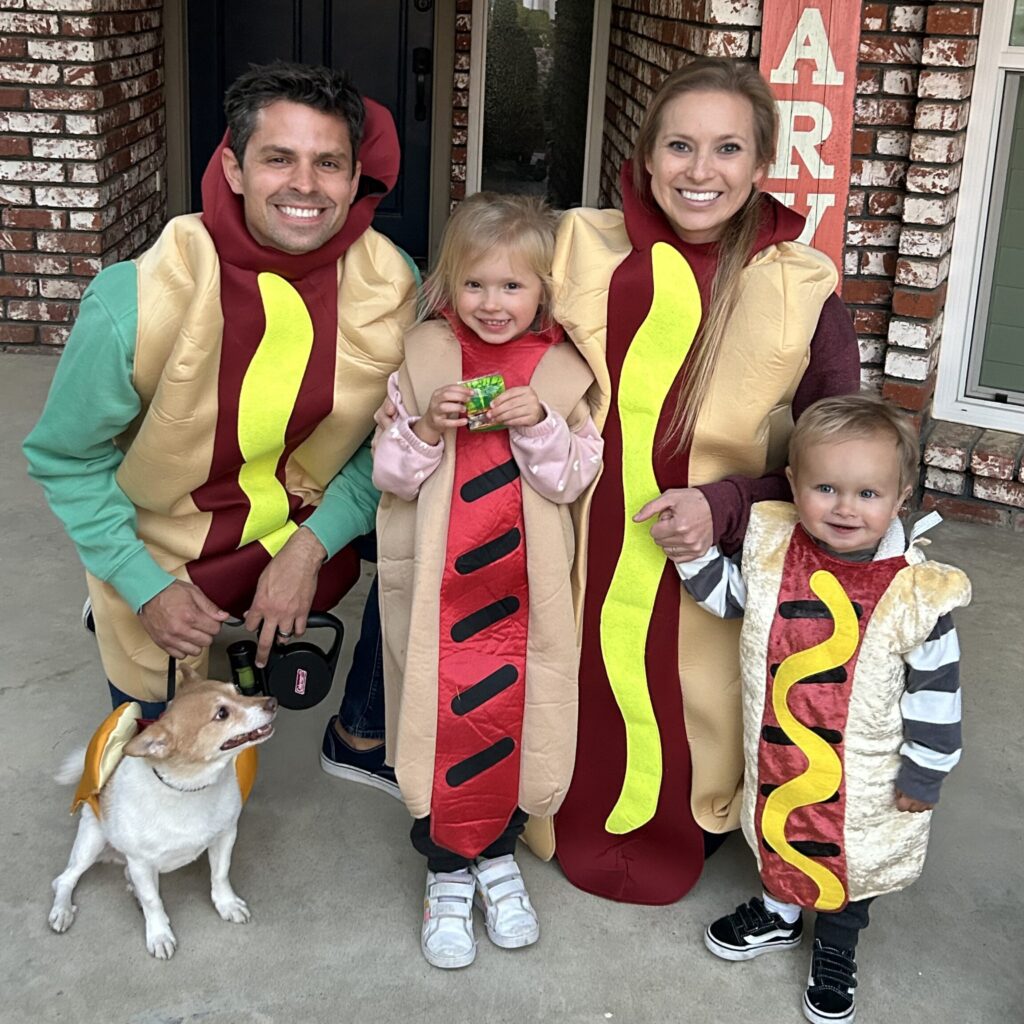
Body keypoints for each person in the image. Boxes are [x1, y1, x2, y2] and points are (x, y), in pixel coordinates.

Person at [539, 56, 862, 904]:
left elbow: (848, 459)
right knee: (576, 682)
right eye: (679, 146)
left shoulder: (802, 288)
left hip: (712, 569)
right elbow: (482, 333)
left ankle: (704, 816)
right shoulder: (575, 248)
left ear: (760, 167)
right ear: (646, 157)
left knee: (694, 702)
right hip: (576, 544)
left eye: (727, 149)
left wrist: (724, 504)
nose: (700, 170)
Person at [23, 62, 416, 723]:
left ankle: (364, 730)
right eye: (278, 159)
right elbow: (66, 458)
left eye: (328, 163)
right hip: (165, 539)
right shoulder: (137, 299)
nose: (304, 185)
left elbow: (398, 442)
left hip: (301, 516)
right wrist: (143, 586)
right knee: (158, 755)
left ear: (354, 179)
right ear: (234, 169)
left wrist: (308, 548)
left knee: (454, 496)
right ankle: (118, 591)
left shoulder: (392, 284)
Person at [675, 394, 970, 1024]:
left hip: (864, 772)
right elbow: (732, 601)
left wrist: (925, 772)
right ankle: (778, 915)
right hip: (779, 744)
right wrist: (691, 555)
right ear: (793, 484)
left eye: (867, 494)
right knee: (780, 829)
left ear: (900, 496)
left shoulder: (916, 592)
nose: (844, 507)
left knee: (847, 856)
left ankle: (836, 945)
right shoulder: (774, 550)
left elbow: (938, 694)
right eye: (826, 487)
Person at [372, 193, 603, 969]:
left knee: (516, 718)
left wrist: (539, 422)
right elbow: (392, 477)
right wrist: (426, 427)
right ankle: (444, 872)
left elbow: (573, 481)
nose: (493, 304)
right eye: (475, 285)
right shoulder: (423, 361)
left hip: (521, 601)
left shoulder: (564, 377)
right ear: (448, 286)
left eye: (513, 287)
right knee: (438, 723)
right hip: (441, 596)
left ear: (542, 292)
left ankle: (497, 856)